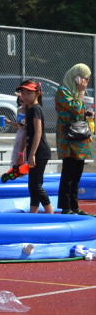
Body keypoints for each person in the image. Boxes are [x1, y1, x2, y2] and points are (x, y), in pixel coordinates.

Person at [55, 64, 93, 215]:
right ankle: (66, 207)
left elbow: (79, 111)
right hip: (68, 140)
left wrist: (87, 114)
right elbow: (76, 109)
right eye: (84, 78)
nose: (86, 82)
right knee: (69, 174)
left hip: (80, 139)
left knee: (77, 174)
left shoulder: (75, 93)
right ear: (75, 77)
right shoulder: (62, 91)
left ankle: (75, 207)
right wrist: (82, 93)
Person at [19, 80, 54, 214]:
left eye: (29, 93)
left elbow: (38, 132)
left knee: (36, 186)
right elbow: (26, 133)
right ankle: (33, 213)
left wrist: (32, 154)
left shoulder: (36, 109)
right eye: (23, 93)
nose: (25, 96)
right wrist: (22, 154)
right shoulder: (29, 110)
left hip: (40, 152)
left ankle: (50, 213)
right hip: (34, 152)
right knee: (32, 186)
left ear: (37, 94)